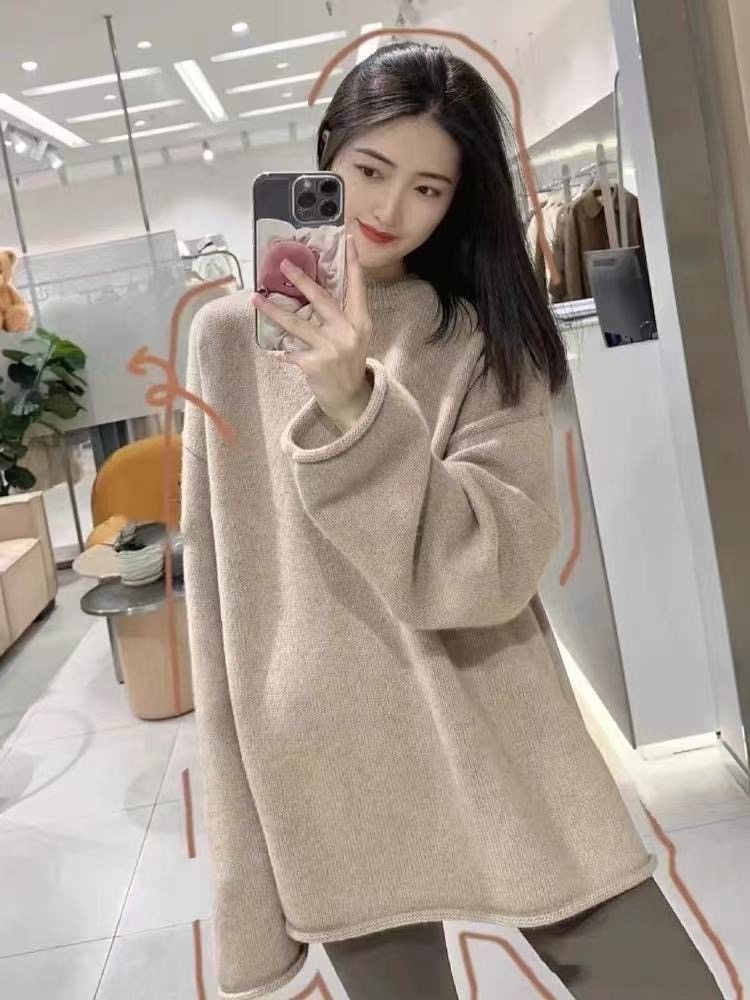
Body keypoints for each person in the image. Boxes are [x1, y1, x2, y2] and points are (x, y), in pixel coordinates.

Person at [180, 42, 723, 1000]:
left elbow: (490, 570)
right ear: (327, 152)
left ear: (460, 199)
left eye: (429, 187)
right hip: (322, 751)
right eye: (370, 170)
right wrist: (242, 877)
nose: (390, 208)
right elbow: (221, 606)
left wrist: (355, 404)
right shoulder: (229, 337)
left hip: (489, 714)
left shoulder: (477, 333)